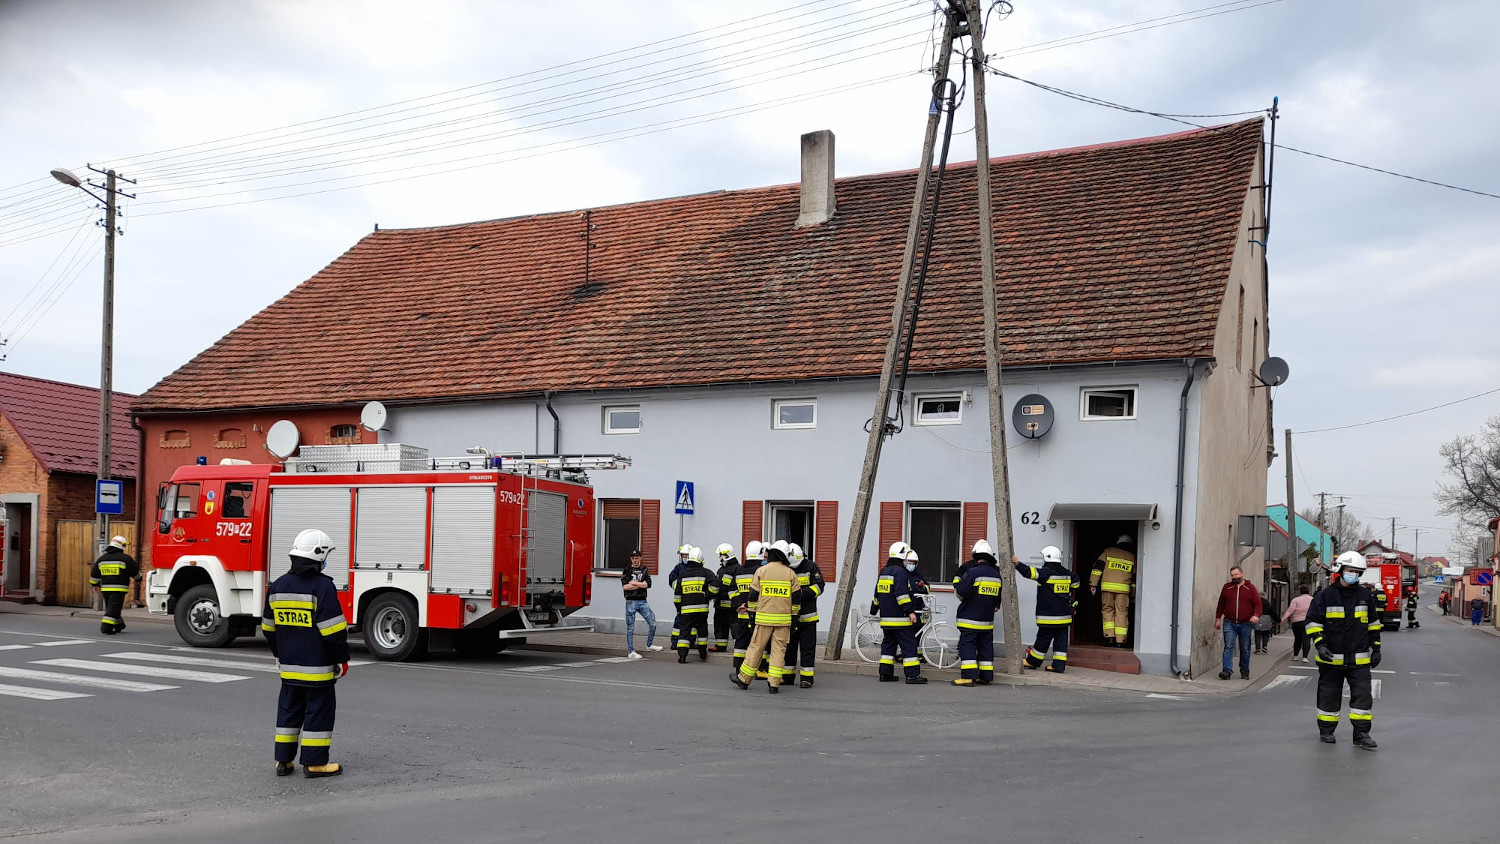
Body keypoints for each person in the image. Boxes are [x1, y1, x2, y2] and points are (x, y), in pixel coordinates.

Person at [262, 529, 350, 777]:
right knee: (318, 713)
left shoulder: (278, 585)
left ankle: (283, 761)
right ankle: (315, 763)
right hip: (318, 668)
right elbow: (333, 631)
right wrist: (341, 659)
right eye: (326, 555)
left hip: (289, 667)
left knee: (288, 711)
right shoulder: (322, 587)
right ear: (318, 556)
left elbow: (269, 628)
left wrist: (280, 654)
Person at [1306, 551, 1382, 750]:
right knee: (1329, 695)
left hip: (1360, 660)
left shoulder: (1365, 596)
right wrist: (1320, 645)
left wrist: (1376, 648)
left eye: (1357, 572)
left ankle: (1362, 734)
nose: (1353, 575)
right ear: (1340, 570)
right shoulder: (1325, 595)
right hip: (1330, 659)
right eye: (1350, 570)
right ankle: (1326, 731)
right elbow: (1313, 622)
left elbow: (1373, 624)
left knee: (1363, 696)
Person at [729, 540, 799, 694]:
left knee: (756, 648)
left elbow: (753, 596)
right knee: (778, 651)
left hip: (763, 619)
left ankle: (744, 678)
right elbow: (796, 599)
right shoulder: (790, 574)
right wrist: (794, 618)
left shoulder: (762, 571)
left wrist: (752, 614)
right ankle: (774, 683)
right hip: (783, 621)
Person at [869, 541, 927, 684]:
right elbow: (902, 595)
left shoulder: (884, 571)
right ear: (902, 556)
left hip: (886, 619)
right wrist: (911, 613)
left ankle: (885, 674)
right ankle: (912, 675)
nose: (908, 560)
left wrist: (873, 609)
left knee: (888, 645)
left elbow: (877, 594)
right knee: (909, 645)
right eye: (907, 556)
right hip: (900, 619)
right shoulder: (900, 573)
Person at [1016, 546, 1079, 673]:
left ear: (1046, 558)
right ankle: (1058, 666)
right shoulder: (1068, 574)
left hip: (1049, 616)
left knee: (1043, 640)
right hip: (1064, 617)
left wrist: (1017, 564)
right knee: (1061, 642)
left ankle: (1032, 662)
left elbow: (1029, 572)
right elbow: (1076, 583)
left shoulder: (1046, 572)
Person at [951, 540, 1002, 686]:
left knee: (967, 646)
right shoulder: (996, 574)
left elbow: (961, 592)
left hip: (970, 619)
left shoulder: (973, 572)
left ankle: (968, 677)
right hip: (987, 620)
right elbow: (997, 599)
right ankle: (985, 677)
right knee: (985, 646)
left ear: (977, 556)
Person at [781, 542, 826, 689]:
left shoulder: (810, 567)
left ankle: (806, 679)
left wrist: (801, 594)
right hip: (790, 616)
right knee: (789, 648)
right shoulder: (785, 567)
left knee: (807, 649)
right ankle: (787, 676)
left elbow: (819, 586)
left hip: (808, 617)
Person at [670, 547, 719, 663]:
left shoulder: (682, 574)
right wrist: (707, 594)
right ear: (701, 559)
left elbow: (677, 595)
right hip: (702, 609)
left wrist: (678, 609)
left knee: (685, 631)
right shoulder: (706, 572)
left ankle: (682, 656)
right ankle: (702, 653)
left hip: (686, 610)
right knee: (702, 629)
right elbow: (716, 586)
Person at [1214, 566, 1261, 680]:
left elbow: (1258, 604)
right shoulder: (1227, 588)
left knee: (1245, 647)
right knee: (1229, 646)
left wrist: (1256, 615)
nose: (1234, 577)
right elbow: (1221, 603)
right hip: (1229, 622)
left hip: (1245, 623)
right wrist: (1218, 618)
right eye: (1232, 575)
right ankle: (1227, 671)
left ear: (1242, 574)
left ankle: (1244, 670)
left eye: (1236, 574)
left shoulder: (1250, 588)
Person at [1089, 534, 1136, 647]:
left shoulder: (1108, 552)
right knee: (1122, 613)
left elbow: (1097, 568)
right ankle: (1121, 641)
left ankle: (1109, 638)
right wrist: (1133, 593)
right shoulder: (1132, 556)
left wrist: (1093, 584)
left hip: (1107, 589)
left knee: (1107, 610)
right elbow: (1134, 578)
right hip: (1123, 591)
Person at [89, 535, 140, 635]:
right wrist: (139, 579)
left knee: (112, 607)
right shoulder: (125, 559)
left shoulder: (102, 559)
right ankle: (106, 627)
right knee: (113, 608)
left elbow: (94, 573)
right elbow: (135, 571)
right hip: (119, 589)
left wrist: (94, 584)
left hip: (105, 589)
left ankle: (119, 625)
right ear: (121, 546)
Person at [731, 541, 767, 675]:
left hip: (742, 614)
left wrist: (739, 604)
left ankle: (738, 668)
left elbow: (732, 591)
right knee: (760, 643)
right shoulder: (762, 571)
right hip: (758, 614)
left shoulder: (738, 570)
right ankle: (761, 669)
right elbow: (763, 593)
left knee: (741, 642)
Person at [621, 550, 663, 659]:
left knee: (652, 623)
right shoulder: (627, 570)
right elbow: (625, 587)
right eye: (633, 558)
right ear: (631, 559)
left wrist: (634, 583)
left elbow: (648, 584)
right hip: (630, 601)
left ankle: (649, 644)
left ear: (640, 558)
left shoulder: (644, 569)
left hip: (642, 601)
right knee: (630, 627)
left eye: (637, 558)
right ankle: (631, 651)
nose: (635, 560)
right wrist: (640, 584)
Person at [711, 543, 740, 653]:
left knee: (735, 626)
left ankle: (739, 646)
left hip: (731, 605)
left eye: (721, 555)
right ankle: (720, 645)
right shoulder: (721, 569)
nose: (719, 557)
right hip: (719, 605)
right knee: (719, 625)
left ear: (727, 555)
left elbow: (734, 586)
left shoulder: (737, 569)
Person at [1282, 585, 1314, 662]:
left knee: (1298, 639)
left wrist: (1283, 618)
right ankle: (1305, 657)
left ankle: (1295, 656)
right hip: (1308, 622)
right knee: (1306, 639)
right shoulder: (1313, 600)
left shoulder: (1296, 600)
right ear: (1309, 591)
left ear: (1300, 591)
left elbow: (1290, 610)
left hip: (1297, 622)